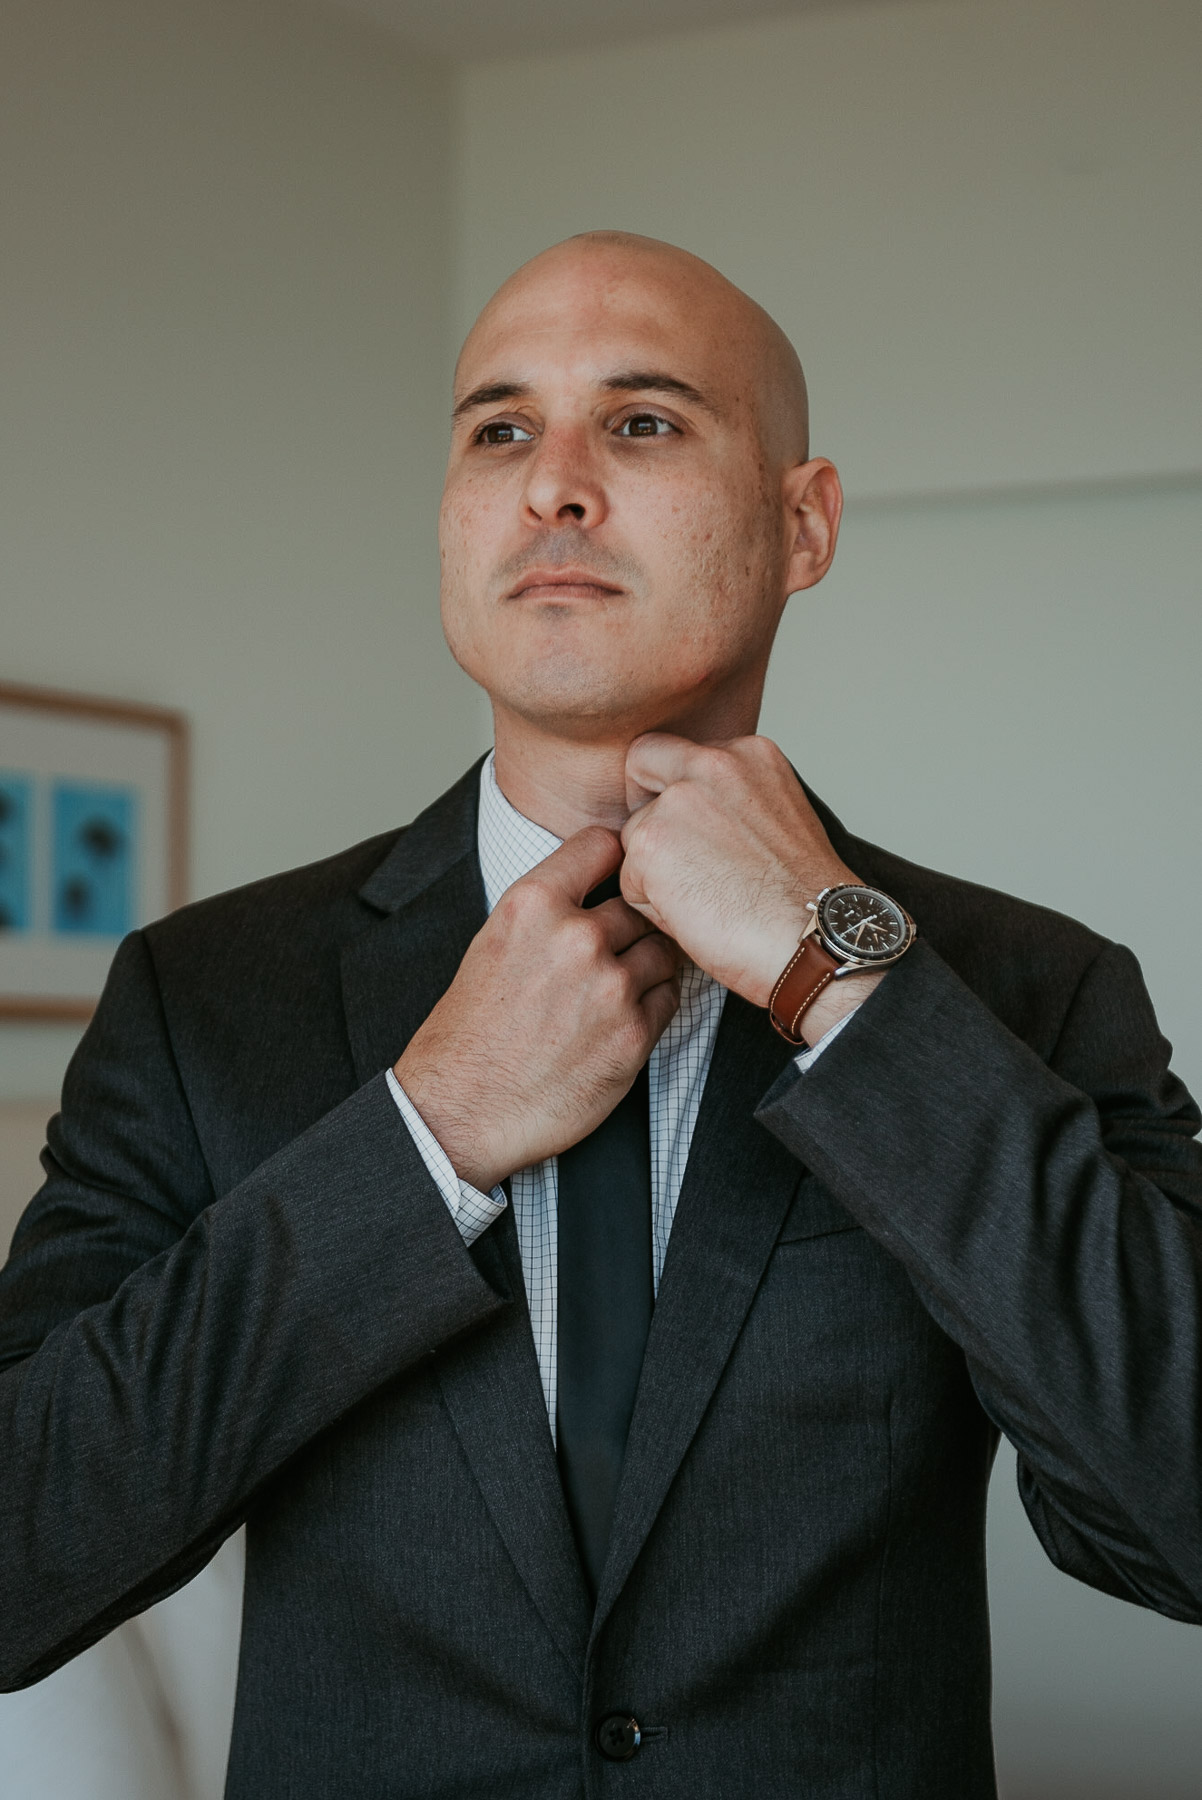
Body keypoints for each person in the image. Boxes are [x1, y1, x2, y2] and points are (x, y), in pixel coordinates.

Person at [1, 231, 1201, 1800]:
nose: (551, 485)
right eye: (500, 429)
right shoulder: (204, 996)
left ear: (802, 524)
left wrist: (847, 980)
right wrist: (425, 1133)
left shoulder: (1027, 989)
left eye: (641, 424)